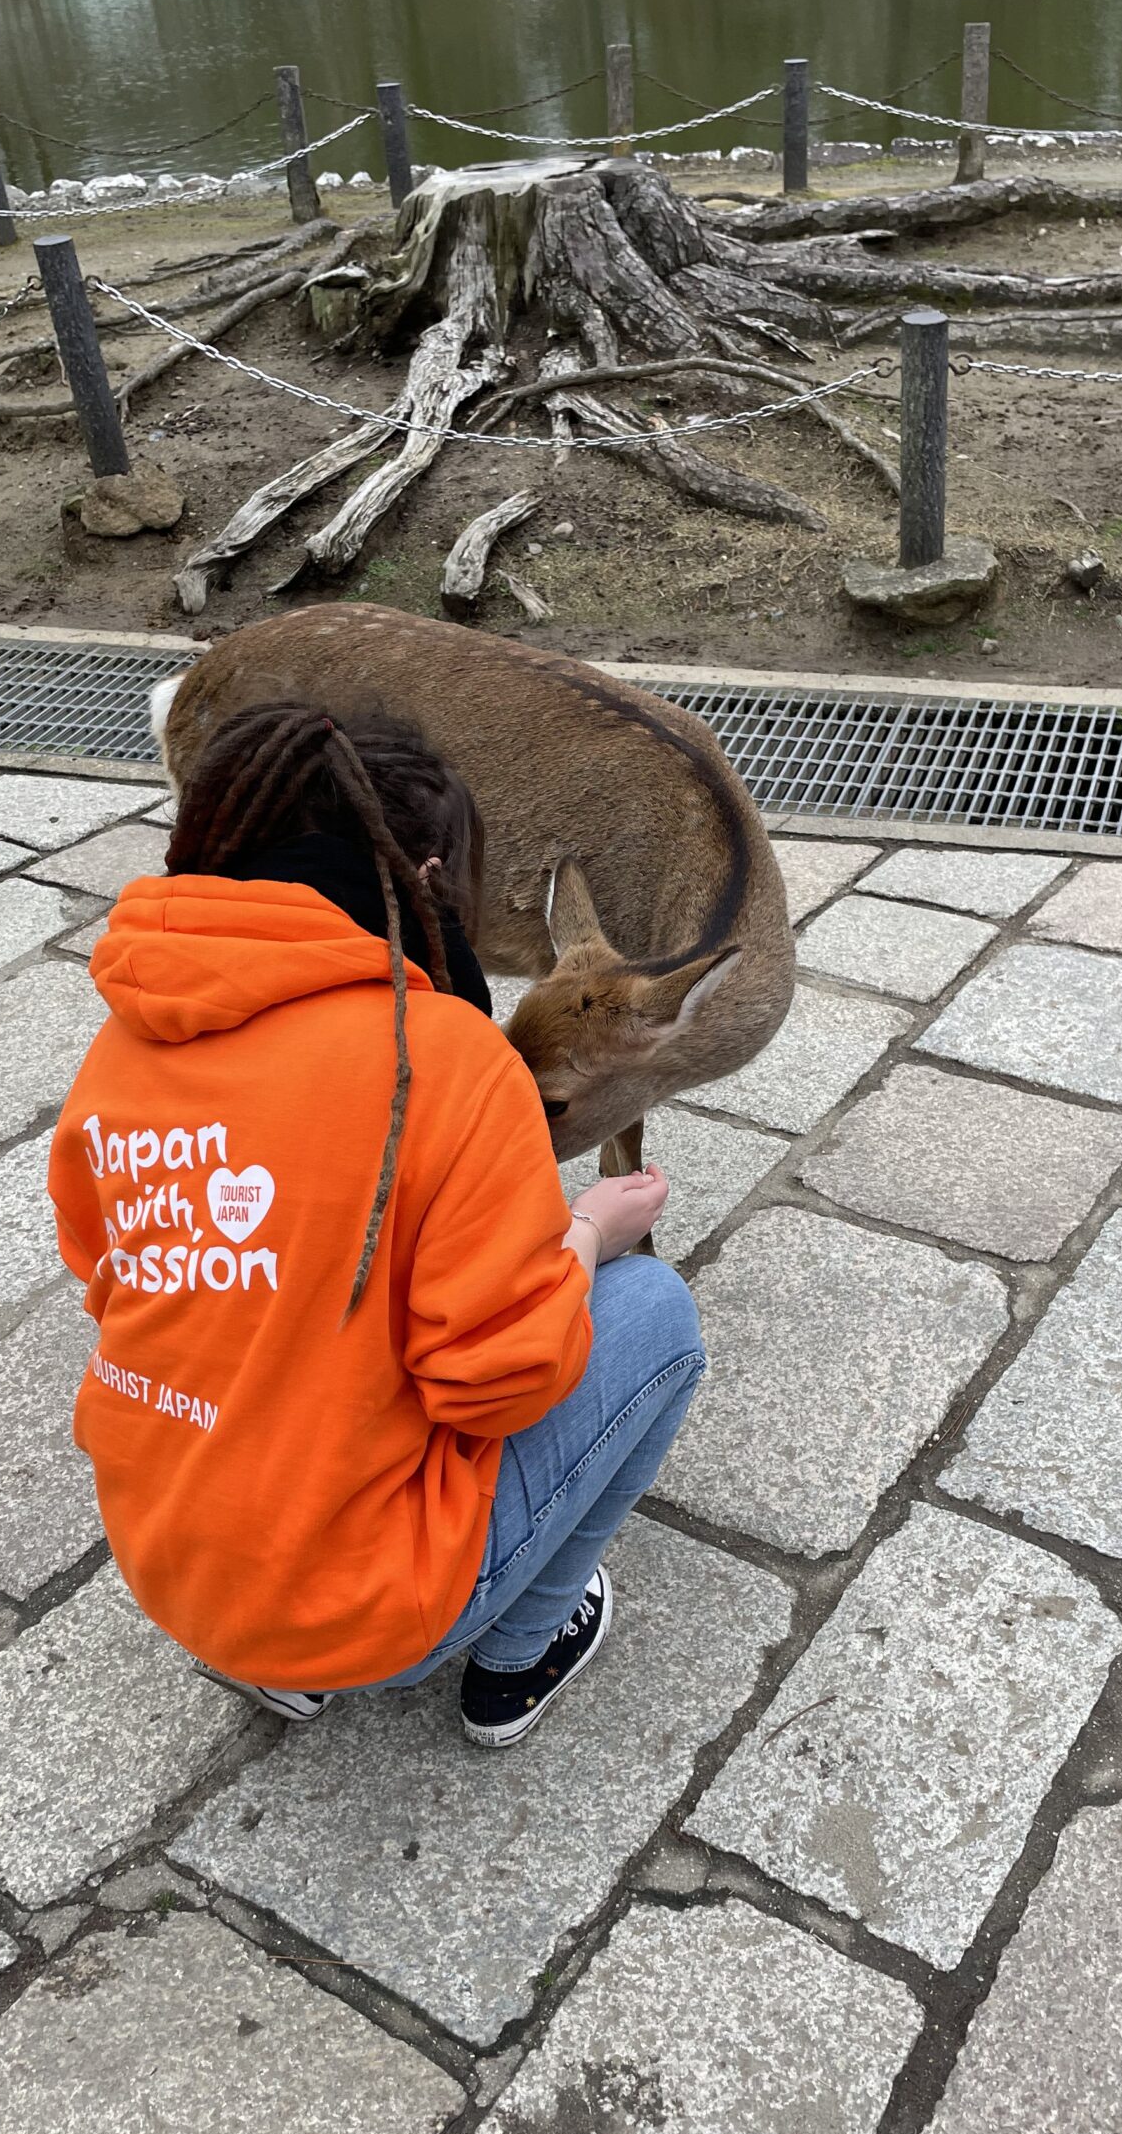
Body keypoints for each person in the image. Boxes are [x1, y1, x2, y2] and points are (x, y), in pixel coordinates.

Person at [47, 699, 705, 1748]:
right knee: (657, 1312)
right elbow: (500, 1382)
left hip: (167, 1559)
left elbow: (110, 1271)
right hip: (368, 1605)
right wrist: (585, 1236)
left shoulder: (121, 1047)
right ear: (427, 879)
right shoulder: (441, 1058)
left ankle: (275, 1662)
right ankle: (519, 1650)